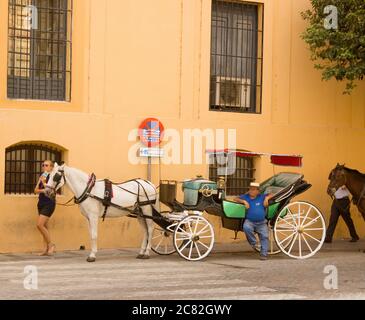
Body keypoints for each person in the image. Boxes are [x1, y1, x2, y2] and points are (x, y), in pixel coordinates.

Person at [235, 182, 274, 260]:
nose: (251, 191)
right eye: (250, 189)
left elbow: (272, 194)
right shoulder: (245, 197)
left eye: (253, 189)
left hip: (262, 222)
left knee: (265, 236)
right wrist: (244, 202)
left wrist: (267, 198)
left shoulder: (261, 196)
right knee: (246, 227)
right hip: (250, 221)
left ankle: (263, 254)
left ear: (258, 191)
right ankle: (254, 243)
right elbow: (235, 199)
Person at [34, 160, 56, 256]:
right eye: (43, 165)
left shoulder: (53, 178)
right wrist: (43, 189)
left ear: (51, 167)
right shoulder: (42, 176)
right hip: (41, 203)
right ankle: (45, 249)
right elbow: (35, 190)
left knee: (39, 225)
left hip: (49, 203)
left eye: (46, 165)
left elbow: (51, 191)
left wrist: (44, 184)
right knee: (45, 227)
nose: (44, 167)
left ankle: (51, 245)